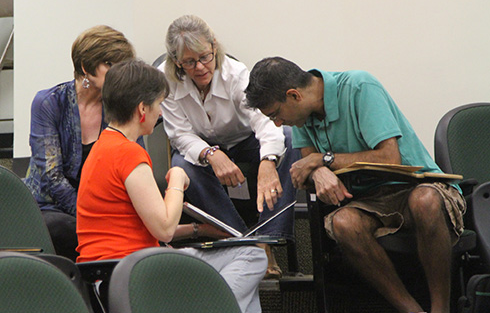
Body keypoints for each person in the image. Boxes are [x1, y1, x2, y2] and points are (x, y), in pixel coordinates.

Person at [245, 57, 466, 313]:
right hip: (371, 200)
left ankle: (441, 310)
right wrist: (317, 172)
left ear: (294, 95)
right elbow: (307, 165)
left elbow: (388, 158)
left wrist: (325, 160)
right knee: (344, 223)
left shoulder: (359, 86)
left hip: (420, 187)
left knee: (424, 201)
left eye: (275, 115)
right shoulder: (302, 117)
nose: (277, 124)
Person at [76, 60, 266, 313]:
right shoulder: (128, 153)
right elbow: (164, 229)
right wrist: (176, 179)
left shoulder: (103, 147)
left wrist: (199, 230)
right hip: (134, 269)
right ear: (142, 108)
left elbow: (132, 225)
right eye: (158, 105)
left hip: (109, 268)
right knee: (252, 256)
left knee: (246, 276)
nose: (161, 114)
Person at [159, 15, 300, 278]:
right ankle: (243, 239)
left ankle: (268, 237)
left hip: (244, 141)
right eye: (189, 62)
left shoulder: (236, 73)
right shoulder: (165, 81)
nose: (200, 67)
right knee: (181, 164)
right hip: (203, 146)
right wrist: (211, 154)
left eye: (205, 57)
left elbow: (265, 122)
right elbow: (179, 135)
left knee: (290, 138)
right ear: (177, 62)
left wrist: (268, 161)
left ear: (214, 47)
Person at [23, 25, 139, 262]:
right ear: (86, 68)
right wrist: (91, 217)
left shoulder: (119, 106)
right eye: (111, 67)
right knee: (64, 230)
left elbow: (132, 163)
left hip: (101, 208)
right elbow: (52, 177)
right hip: (50, 206)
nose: (119, 76)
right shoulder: (49, 103)